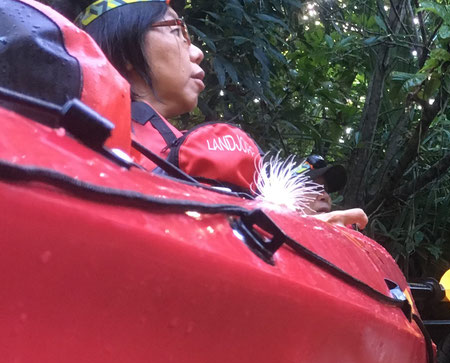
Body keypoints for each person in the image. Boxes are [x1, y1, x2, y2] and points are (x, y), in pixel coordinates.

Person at [61, 0, 367, 228]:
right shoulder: (82, 141)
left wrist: (304, 234)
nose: (197, 52)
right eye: (178, 31)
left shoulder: (74, 134)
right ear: (126, 48)